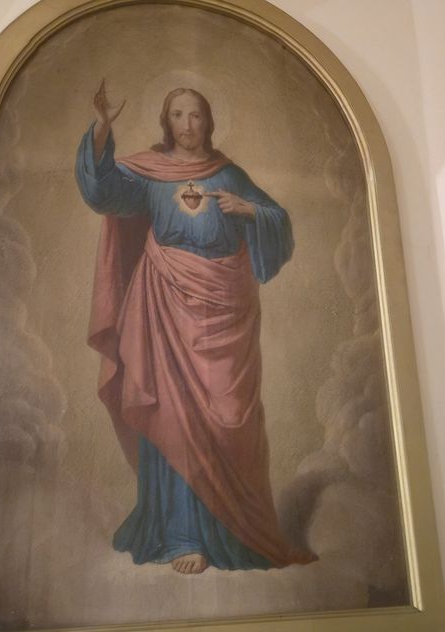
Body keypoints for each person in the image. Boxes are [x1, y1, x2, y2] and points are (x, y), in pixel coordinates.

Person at [75, 81, 317, 574]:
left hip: (226, 308)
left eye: (196, 115)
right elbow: (104, 193)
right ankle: (183, 535)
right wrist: (101, 128)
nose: (188, 125)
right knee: (172, 413)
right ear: (167, 123)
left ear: (209, 122)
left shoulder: (229, 175)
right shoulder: (150, 174)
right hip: (163, 304)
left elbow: (279, 221)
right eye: (178, 115)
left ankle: (234, 531)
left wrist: (248, 210)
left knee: (229, 419)